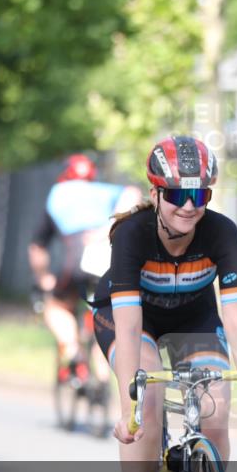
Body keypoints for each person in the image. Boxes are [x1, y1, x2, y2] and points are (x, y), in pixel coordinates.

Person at [90, 135, 237, 472]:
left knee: (216, 406)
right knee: (150, 394)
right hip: (130, 318)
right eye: (177, 194)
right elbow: (128, 325)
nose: (189, 205)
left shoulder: (221, 232)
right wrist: (129, 410)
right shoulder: (131, 234)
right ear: (156, 193)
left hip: (194, 318)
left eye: (200, 194)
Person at [28, 154, 141, 383]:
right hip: (110, 260)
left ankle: (72, 351)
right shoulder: (104, 191)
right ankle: (101, 379)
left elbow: (38, 247)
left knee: (55, 306)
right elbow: (134, 193)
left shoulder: (57, 194)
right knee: (104, 315)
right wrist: (109, 226)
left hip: (78, 258)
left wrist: (43, 278)